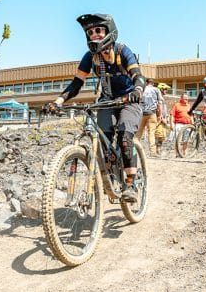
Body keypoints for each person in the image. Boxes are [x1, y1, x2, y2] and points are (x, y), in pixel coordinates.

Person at [47, 13, 144, 203]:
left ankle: (131, 183)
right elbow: (76, 84)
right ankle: (108, 175)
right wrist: (58, 101)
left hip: (128, 100)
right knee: (102, 140)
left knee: (125, 138)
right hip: (106, 100)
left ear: (109, 31)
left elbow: (137, 75)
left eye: (98, 30)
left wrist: (138, 90)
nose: (94, 35)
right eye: (90, 32)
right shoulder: (90, 57)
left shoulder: (123, 51)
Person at [137, 78, 163, 157]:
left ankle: (135, 150)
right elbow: (160, 103)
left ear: (146, 83)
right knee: (151, 133)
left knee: (139, 133)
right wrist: (160, 114)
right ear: (153, 83)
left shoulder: (142, 89)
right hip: (152, 113)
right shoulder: (156, 90)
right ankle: (152, 152)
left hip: (141, 113)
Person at [154, 83, 171, 150]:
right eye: (165, 89)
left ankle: (158, 149)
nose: (166, 91)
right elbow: (157, 108)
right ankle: (157, 150)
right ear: (161, 90)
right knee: (159, 135)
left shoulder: (162, 98)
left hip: (163, 119)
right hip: (159, 119)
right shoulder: (157, 98)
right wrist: (161, 118)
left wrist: (166, 118)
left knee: (162, 135)